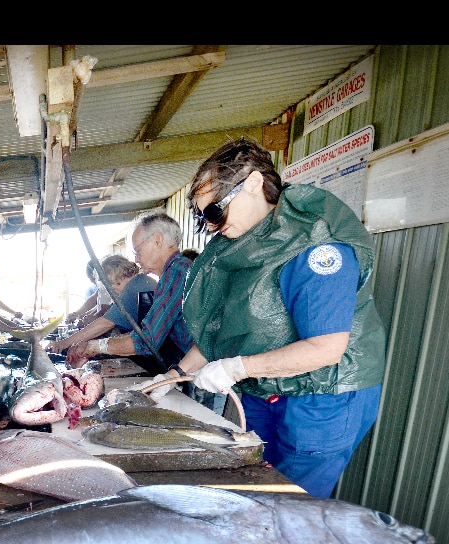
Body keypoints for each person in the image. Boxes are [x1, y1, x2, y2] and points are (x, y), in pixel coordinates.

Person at [164, 136, 386, 498]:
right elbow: (216, 332)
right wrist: (171, 377)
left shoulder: (316, 246)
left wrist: (237, 368)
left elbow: (326, 348)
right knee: (251, 481)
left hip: (322, 394)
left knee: (288, 499)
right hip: (264, 388)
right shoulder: (239, 246)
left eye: (215, 212)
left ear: (252, 183)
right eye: (204, 218)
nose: (212, 227)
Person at [65, 212, 192, 377]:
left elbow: (147, 340)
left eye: (138, 251)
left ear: (157, 241)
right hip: (190, 366)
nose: (136, 259)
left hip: (204, 372)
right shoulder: (174, 273)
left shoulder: (177, 273)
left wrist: (93, 347)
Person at [48, 255, 155, 360]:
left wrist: (64, 343)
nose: (112, 292)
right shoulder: (142, 281)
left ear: (112, 276)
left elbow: (105, 323)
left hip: (154, 356)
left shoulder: (134, 287)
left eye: (110, 287)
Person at [65, 260, 111, 328]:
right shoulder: (101, 288)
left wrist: (88, 318)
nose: (91, 281)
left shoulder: (110, 287)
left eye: (92, 278)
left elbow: (105, 310)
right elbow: (94, 301)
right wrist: (78, 315)